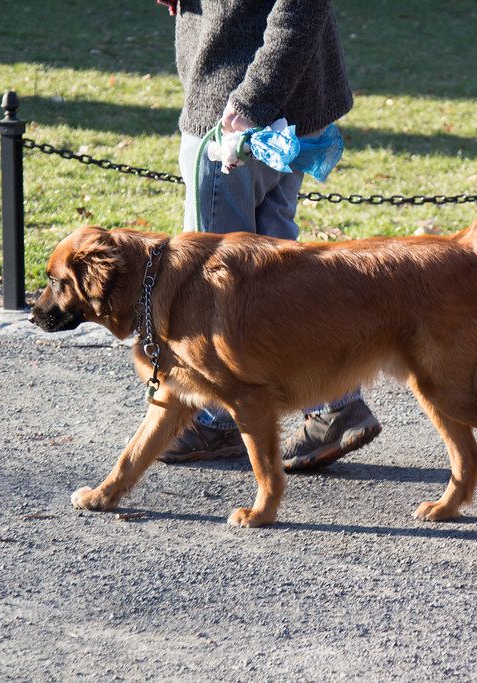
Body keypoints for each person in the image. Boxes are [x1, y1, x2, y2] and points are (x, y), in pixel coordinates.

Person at [154, 0, 381, 471]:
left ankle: (220, 419)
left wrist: (250, 101)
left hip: (238, 120)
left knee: (214, 288)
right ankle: (333, 404)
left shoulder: (244, 106)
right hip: (275, 109)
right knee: (281, 282)